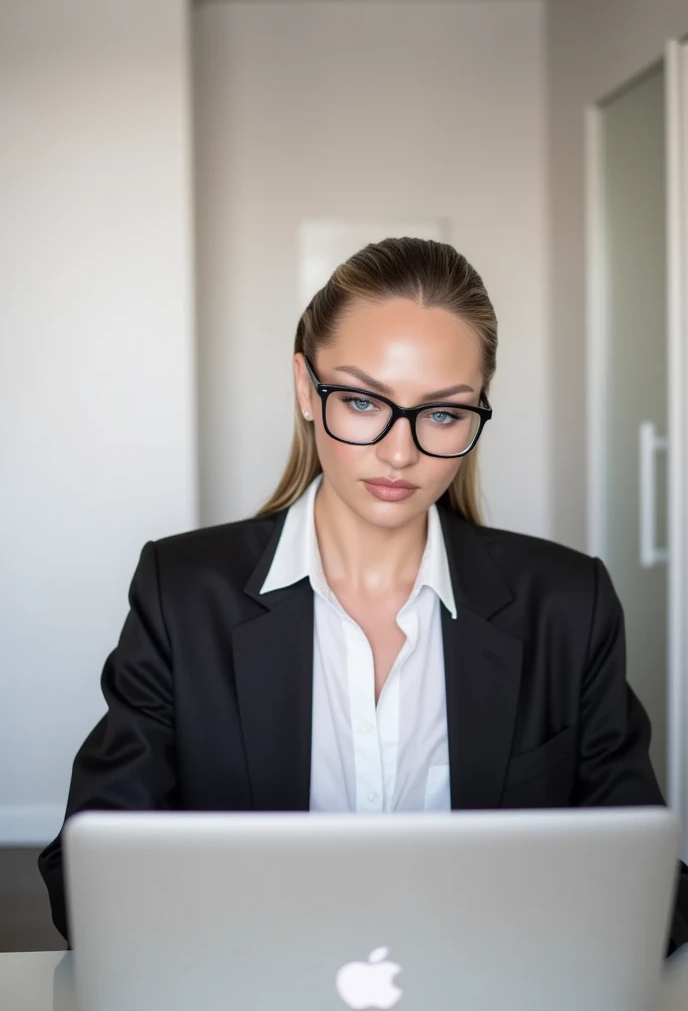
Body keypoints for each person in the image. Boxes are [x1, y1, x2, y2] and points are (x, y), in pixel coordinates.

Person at [39, 237, 687, 950]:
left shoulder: (569, 604)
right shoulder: (181, 594)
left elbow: (652, 891)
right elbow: (87, 875)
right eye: (360, 400)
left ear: (476, 414)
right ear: (304, 391)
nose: (400, 451)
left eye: (442, 414)